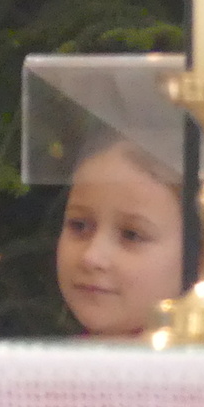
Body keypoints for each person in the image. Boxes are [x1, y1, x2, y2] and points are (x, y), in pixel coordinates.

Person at [57, 137, 184, 338]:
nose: (91, 257)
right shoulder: (53, 357)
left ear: (203, 256)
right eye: (79, 225)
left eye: (131, 235)